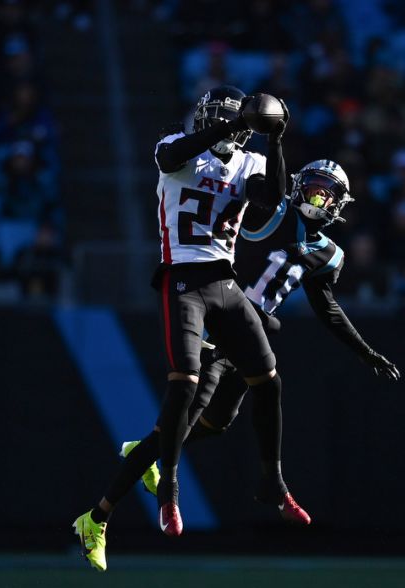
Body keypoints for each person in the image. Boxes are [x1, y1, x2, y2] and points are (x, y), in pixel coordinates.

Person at [73, 160, 400, 571]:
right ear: (299, 184)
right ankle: (97, 517)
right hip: (219, 326)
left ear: (340, 204)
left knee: (218, 421)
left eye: (328, 193)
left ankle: (147, 452)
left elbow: (328, 308)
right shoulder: (270, 209)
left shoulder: (329, 254)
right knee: (181, 423)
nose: (320, 198)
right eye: (315, 187)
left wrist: (365, 351)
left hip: (247, 339)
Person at [80, 86, 288, 551]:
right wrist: (233, 123)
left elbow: (271, 199)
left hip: (225, 281)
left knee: (246, 392)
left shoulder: (248, 163)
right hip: (182, 278)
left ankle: (258, 475)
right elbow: (171, 156)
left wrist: (274, 141)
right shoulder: (176, 145)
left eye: (235, 123)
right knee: (185, 385)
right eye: (218, 120)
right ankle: (164, 486)